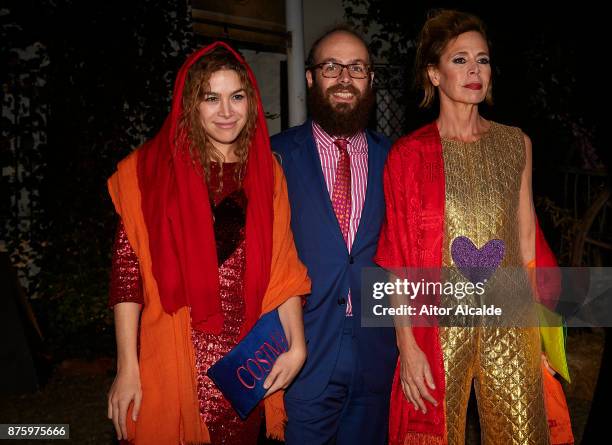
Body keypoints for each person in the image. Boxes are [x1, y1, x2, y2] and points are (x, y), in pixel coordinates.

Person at [375, 9, 571, 445]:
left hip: (511, 320)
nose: (474, 70)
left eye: (481, 59)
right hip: (439, 327)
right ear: (434, 74)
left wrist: (543, 332)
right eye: (459, 59)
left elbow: (525, 242)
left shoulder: (515, 143)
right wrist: (407, 349)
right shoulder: (407, 155)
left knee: (523, 436)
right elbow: (397, 260)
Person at [106, 42, 311, 445]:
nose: (226, 111)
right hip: (171, 359)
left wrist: (298, 347)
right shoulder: (150, 172)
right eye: (211, 98)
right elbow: (128, 278)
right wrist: (126, 367)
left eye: (236, 97)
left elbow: (283, 268)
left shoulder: (267, 172)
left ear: (251, 102)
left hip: (244, 367)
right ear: (190, 105)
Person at [271, 26, 398, 445]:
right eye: (331, 66)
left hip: (377, 357)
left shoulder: (397, 160)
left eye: (357, 68)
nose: (345, 77)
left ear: (371, 80)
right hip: (301, 355)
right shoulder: (274, 156)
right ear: (310, 77)